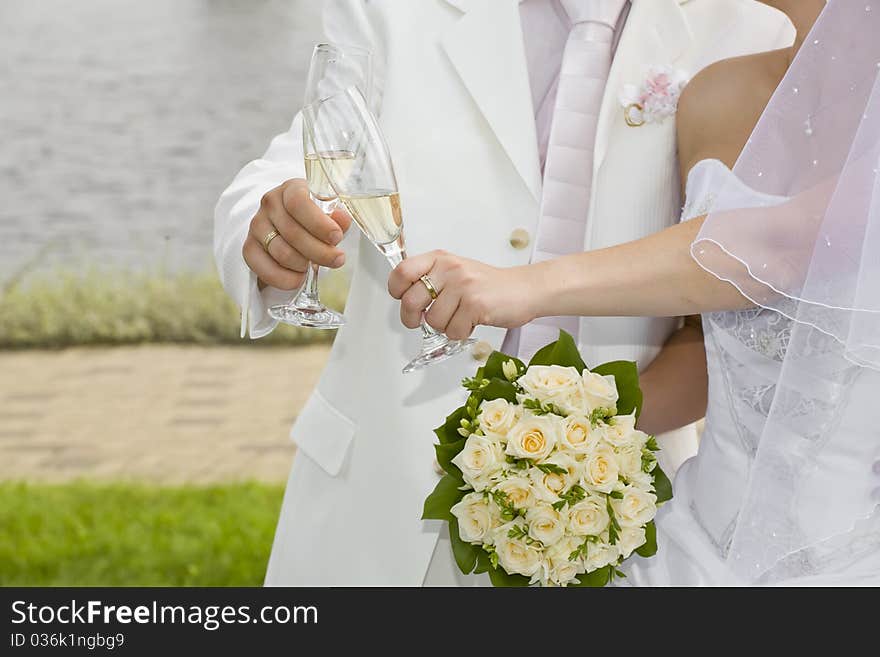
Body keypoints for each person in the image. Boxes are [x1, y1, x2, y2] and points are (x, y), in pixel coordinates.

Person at [214, 0, 792, 586]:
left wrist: (590, 444)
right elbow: (308, 150)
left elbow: (744, 318)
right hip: (376, 505)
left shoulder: (750, 28)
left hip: (611, 527)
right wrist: (265, 225)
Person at [389, 0, 880, 584]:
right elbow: (707, 334)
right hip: (684, 550)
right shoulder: (718, 94)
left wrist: (529, 286)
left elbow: (787, 246)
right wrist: (566, 443)